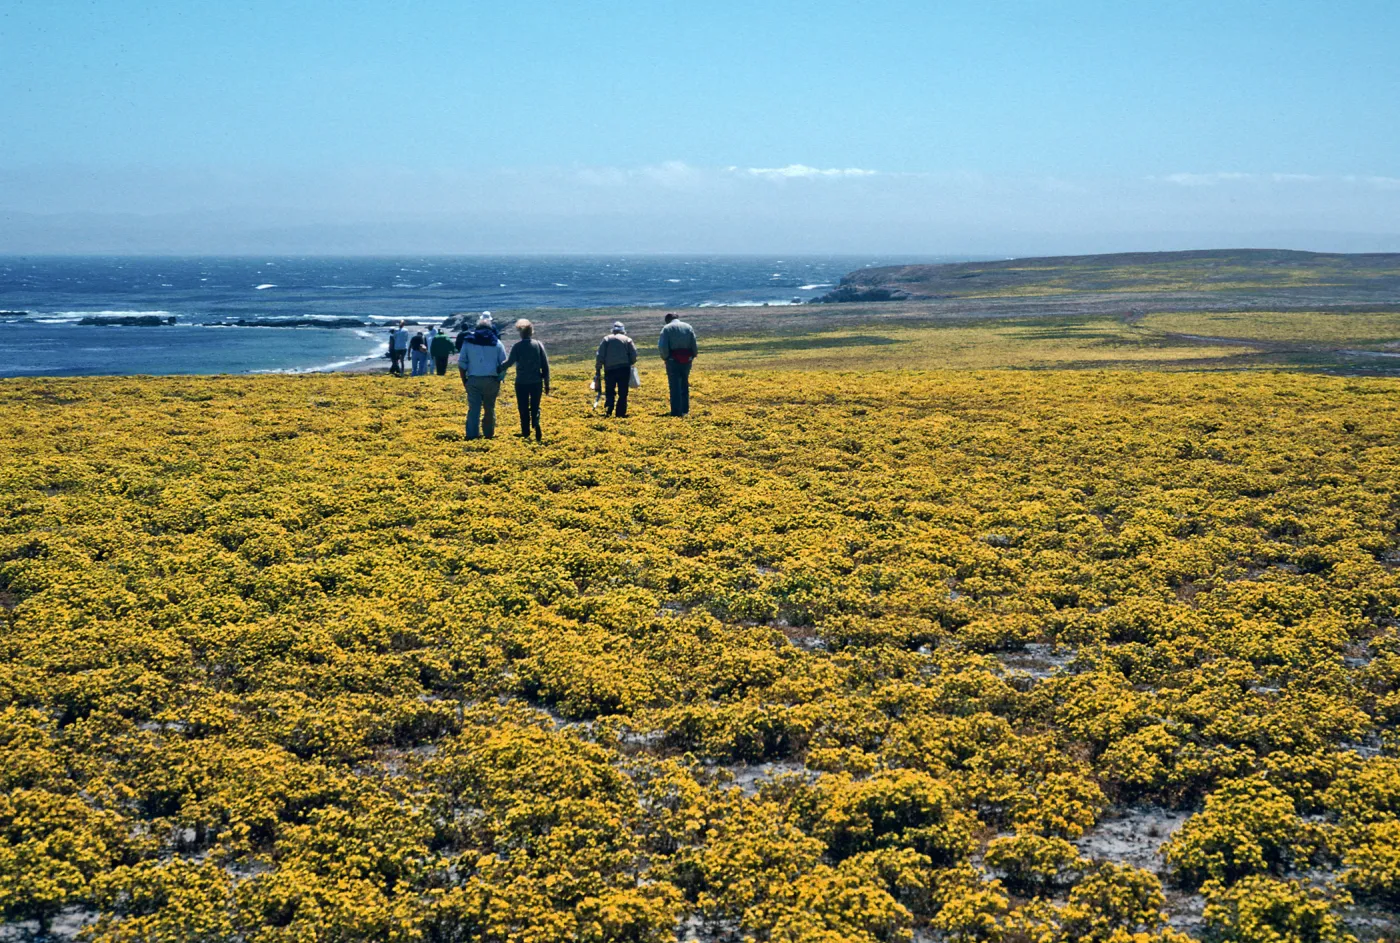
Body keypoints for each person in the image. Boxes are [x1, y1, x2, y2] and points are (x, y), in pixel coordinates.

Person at [458, 315, 507, 439]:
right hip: (492, 380)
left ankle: (472, 435)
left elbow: (462, 363)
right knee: (489, 408)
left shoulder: (468, 341)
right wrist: (500, 378)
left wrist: (464, 380)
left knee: (474, 409)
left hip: (474, 379)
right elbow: (503, 363)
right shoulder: (497, 343)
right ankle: (488, 434)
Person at [502, 318, 551, 441]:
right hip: (536, 382)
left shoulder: (517, 346)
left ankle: (525, 432)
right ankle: (536, 422)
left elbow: (509, 362)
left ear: (520, 332)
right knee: (535, 406)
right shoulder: (538, 345)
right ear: (531, 332)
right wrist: (547, 384)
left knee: (523, 407)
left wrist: (497, 368)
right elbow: (545, 366)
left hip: (521, 382)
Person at [658, 312, 699, 417]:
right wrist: (693, 355)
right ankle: (685, 410)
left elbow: (663, 346)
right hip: (686, 360)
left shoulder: (667, 328)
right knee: (684, 384)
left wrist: (666, 357)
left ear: (667, 320)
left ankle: (676, 412)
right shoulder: (688, 327)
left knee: (674, 386)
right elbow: (693, 342)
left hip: (673, 360)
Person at [595, 321, 638, 418]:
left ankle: (608, 410)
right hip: (624, 369)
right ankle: (620, 413)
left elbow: (600, 355)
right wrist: (630, 362)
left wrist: (598, 367)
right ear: (623, 330)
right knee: (623, 392)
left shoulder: (606, 339)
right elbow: (634, 355)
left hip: (609, 369)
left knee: (610, 391)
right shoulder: (627, 340)